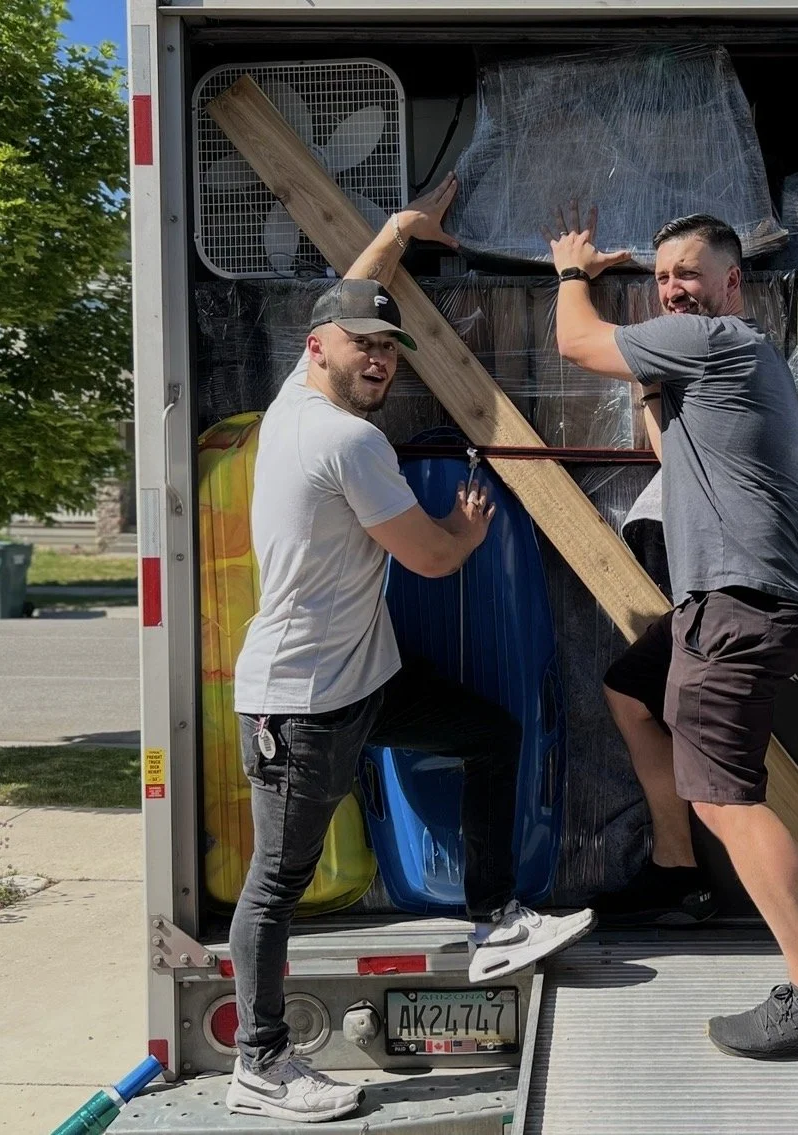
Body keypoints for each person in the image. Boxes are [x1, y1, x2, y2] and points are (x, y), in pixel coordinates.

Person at [226, 177, 595, 1124]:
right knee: (278, 880)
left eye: (390, 348)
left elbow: (346, 293)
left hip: (363, 680)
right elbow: (430, 560)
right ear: (320, 350)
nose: (380, 361)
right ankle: (260, 1061)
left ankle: (495, 916)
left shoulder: (290, 403)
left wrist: (395, 233)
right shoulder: (347, 441)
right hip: (302, 702)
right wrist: (469, 529)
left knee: (489, 735)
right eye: (365, 347)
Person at [544, 203, 798, 1059]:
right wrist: (649, 377)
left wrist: (574, 271)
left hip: (738, 605)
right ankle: (677, 862)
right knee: (629, 689)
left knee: (729, 796)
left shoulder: (718, 342)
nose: (672, 287)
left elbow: (576, 343)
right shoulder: (715, 370)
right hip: (727, 607)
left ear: (733, 281)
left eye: (688, 272)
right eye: (660, 277)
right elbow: (667, 450)